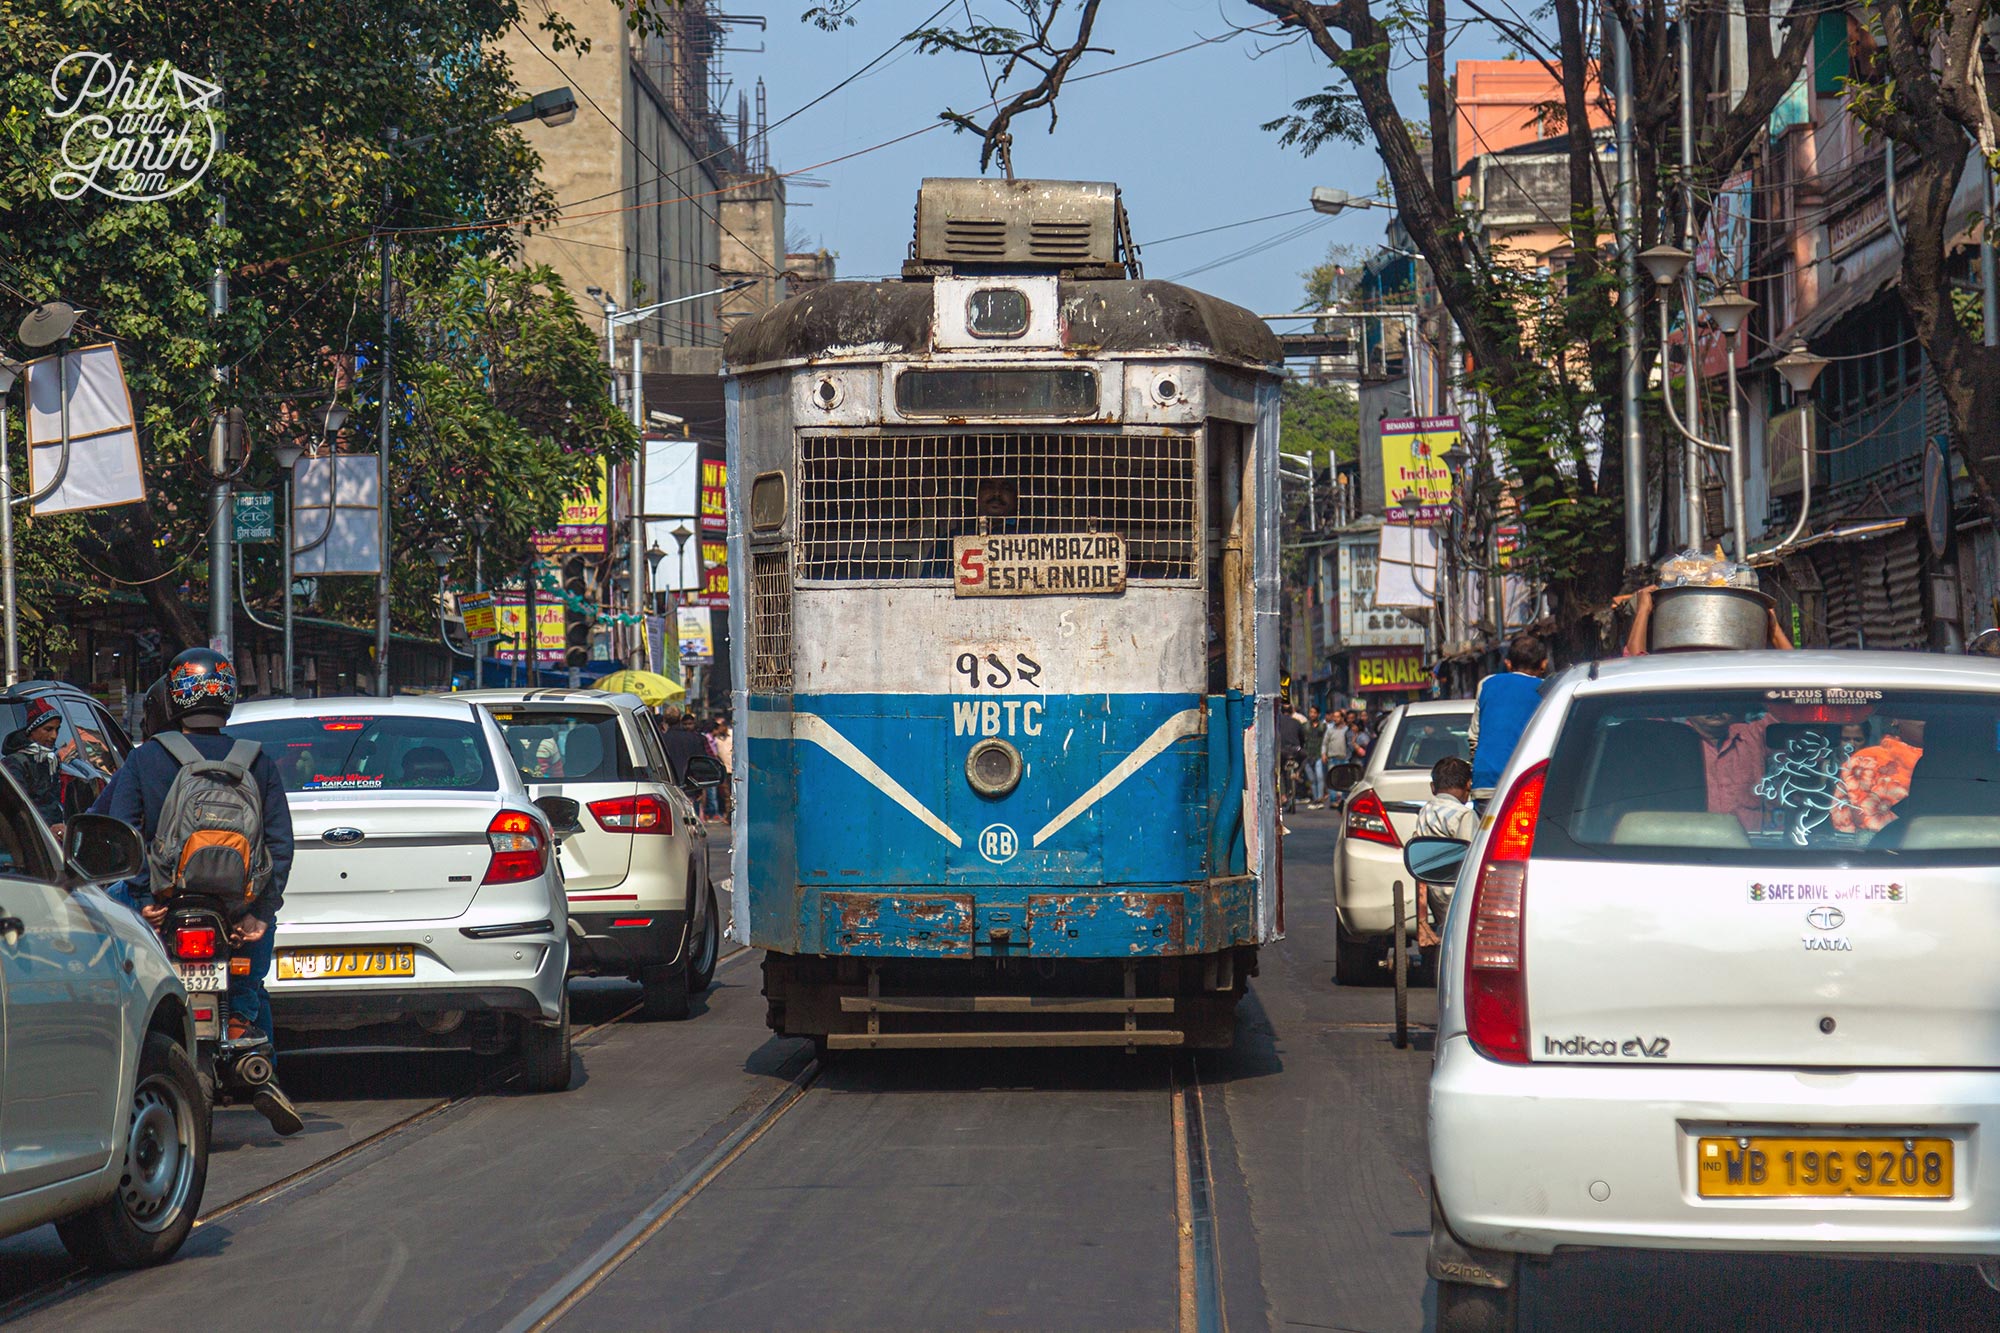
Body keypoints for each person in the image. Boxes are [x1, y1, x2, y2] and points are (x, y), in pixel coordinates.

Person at [94, 648, 301, 1136]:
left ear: (172, 697)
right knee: (252, 976)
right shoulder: (256, 759)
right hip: (235, 906)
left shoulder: (146, 759)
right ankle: (247, 1035)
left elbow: (119, 830)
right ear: (228, 696)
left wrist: (146, 897)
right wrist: (258, 912)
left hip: (163, 905)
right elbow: (279, 843)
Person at [1412, 756, 1480, 946]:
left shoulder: (1425, 811)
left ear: (1433, 787)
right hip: (1454, 894)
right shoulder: (1464, 815)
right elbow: (1469, 858)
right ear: (1468, 785)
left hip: (1433, 891)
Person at [1470, 635, 1549, 792]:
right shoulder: (1548, 689)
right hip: (1526, 785)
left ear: (1508, 663)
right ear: (1544, 664)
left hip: (1485, 782)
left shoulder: (1487, 684)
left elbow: (1474, 738)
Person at [1625, 585, 1793, 656]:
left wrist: (1643, 611)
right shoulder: (1666, 694)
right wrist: (1775, 633)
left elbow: (1796, 681)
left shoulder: (1752, 726)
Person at [1686, 709, 1773, 833]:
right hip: (1690, 843)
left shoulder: (1754, 735)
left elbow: (1786, 714)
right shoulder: (1667, 740)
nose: (1715, 708)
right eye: (1705, 700)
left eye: (1721, 701)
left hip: (1753, 844)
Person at [1832, 719, 1924, 833]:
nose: (1922, 722)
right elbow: (1842, 819)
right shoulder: (1862, 760)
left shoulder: (1861, 760)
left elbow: (1842, 821)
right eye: (1915, 716)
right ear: (1895, 720)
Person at [2, 699, 67, 839]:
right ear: (32, 730)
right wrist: (47, 829)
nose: (54, 736)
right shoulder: (15, 764)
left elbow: (53, 803)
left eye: (57, 729)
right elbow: (18, 809)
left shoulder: (50, 760)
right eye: (48, 729)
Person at [660, 705, 709, 784]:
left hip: (668, 784)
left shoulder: (660, 740)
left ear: (665, 719)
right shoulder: (695, 738)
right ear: (680, 719)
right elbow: (701, 764)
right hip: (691, 785)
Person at [1302, 706, 1327, 808]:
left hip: (1318, 755)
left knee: (1320, 777)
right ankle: (1315, 798)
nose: (1312, 714)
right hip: (1308, 755)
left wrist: (1324, 753)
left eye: (1314, 712)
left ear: (1318, 714)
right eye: (1311, 712)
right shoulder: (1305, 726)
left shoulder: (1323, 726)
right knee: (1312, 779)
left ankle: (1319, 798)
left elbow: (1325, 741)